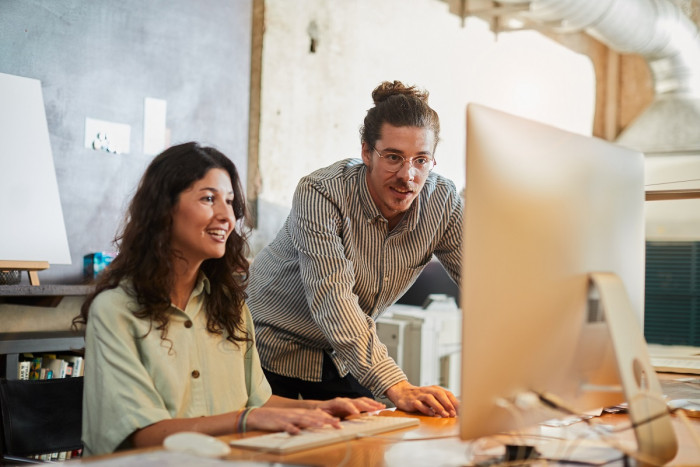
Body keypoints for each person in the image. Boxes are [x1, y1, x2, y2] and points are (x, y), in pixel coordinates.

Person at [73, 142, 384, 456]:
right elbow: (142, 435)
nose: (227, 216)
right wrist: (245, 419)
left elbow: (256, 402)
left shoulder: (230, 306)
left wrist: (323, 409)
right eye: (209, 199)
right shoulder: (115, 311)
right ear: (163, 209)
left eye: (230, 201)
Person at [247, 81, 462, 418]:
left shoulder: (443, 201)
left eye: (421, 160)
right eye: (393, 157)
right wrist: (399, 386)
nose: (408, 176)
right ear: (366, 152)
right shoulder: (321, 193)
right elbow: (333, 299)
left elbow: (484, 284)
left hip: (344, 360)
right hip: (270, 358)